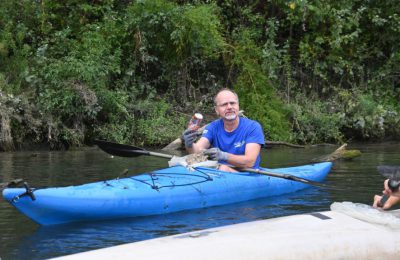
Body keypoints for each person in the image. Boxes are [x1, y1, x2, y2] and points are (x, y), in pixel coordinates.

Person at [182, 88, 265, 172]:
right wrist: (189, 144)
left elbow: (250, 162)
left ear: (238, 106)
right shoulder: (212, 127)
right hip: (221, 173)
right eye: (224, 104)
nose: (229, 107)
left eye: (232, 103)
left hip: (248, 174)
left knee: (223, 168)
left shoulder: (253, 127)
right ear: (217, 110)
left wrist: (224, 156)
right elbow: (197, 151)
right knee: (221, 168)